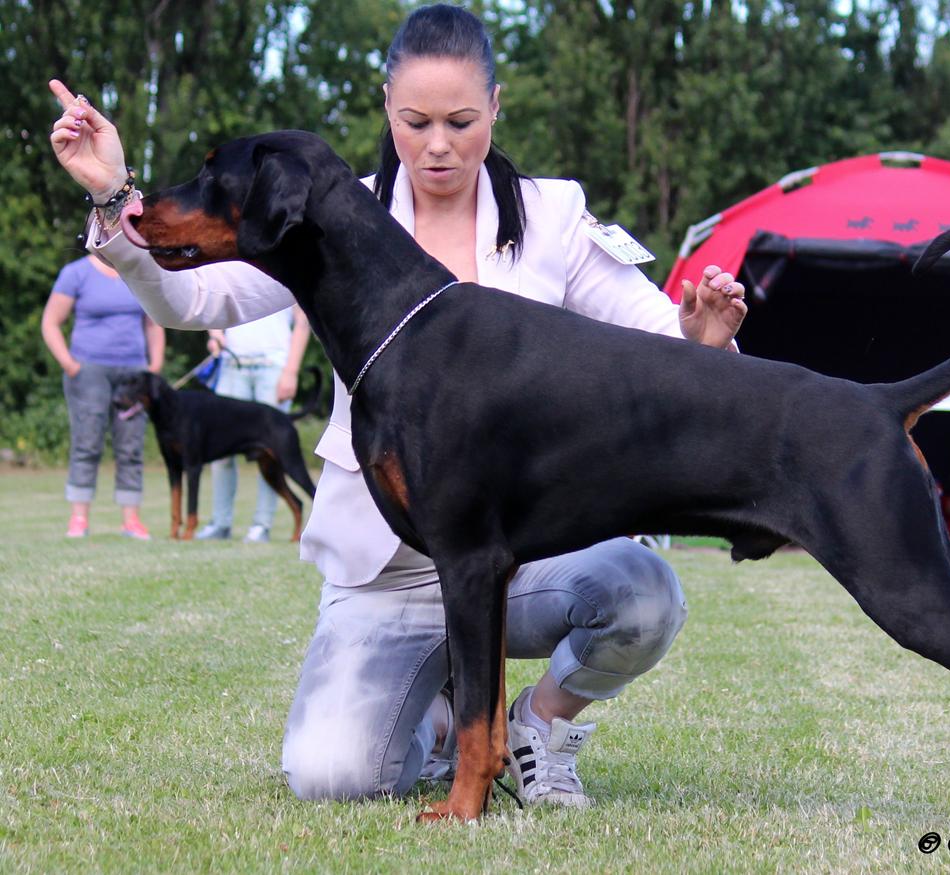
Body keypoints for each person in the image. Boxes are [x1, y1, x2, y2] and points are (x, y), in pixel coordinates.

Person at [49, 3, 746, 808]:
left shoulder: (551, 214)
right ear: (388, 108)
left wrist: (701, 337)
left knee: (644, 592)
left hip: (520, 558)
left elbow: (659, 342)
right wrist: (113, 194)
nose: (438, 144)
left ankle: (538, 728)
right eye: (416, 121)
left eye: (461, 120)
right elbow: (188, 297)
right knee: (334, 775)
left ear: (496, 106)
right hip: (386, 574)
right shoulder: (327, 210)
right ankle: (448, 722)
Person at [41, 254, 165, 539]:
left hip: (133, 372)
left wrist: (154, 364)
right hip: (88, 371)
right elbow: (50, 323)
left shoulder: (137, 272)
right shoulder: (76, 273)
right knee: (87, 443)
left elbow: (154, 322)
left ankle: (131, 521)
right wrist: (70, 364)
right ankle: (79, 520)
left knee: (131, 447)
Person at [195, 306, 311, 543]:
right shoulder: (232, 266)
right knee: (220, 454)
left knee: (271, 454)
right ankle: (220, 523)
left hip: (274, 366)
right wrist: (214, 334)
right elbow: (215, 303)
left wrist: (292, 371)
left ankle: (261, 526)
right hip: (232, 365)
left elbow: (302, 321)